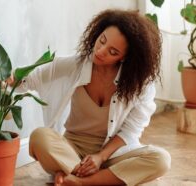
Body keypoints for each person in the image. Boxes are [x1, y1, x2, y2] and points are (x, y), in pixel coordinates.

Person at [11, 9, 171, 186]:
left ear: (125, 57)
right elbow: (35, 76)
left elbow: (131, 130)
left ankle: (77, 179)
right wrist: (10, 80)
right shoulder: (76, 65)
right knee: (39, 137)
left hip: (114, 153)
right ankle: (98, 177)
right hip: (72, 148)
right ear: (98, 32)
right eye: (102, 40)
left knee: (161, 160)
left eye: (113, 52)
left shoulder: (140, 84)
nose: (101, 51)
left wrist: (100, 158)